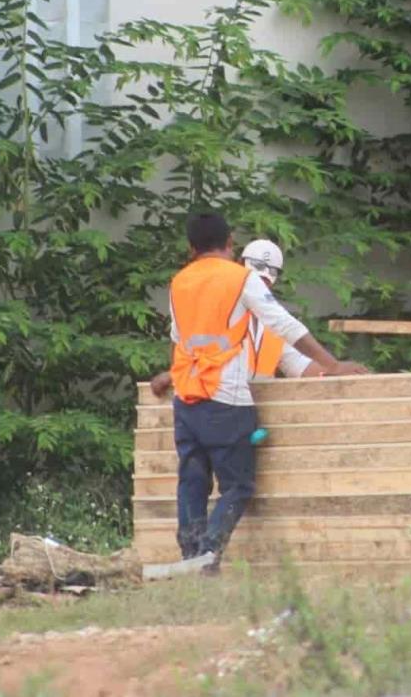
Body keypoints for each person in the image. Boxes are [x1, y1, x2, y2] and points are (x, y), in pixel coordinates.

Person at [149, 214, 363, 571]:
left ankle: (189, 553)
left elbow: (181, 340)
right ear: (230, 242)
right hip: (228, 399)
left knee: (193, 479)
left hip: (187, 398)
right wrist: (333, 364)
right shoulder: (240, 280)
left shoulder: (179, 282)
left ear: (191, 248)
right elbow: (285, 324)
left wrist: (172, 376)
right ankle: (207, 556)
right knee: (238, 485)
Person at [239, 239, 369, 380]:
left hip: (255, 400)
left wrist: (336, 373)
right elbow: (288, 327)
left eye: (265, 280)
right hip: (223, 399)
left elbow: (297, 364)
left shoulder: (272, 325)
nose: (259, 285)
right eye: (255, 278)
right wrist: (333, 366)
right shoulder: (227, 311)